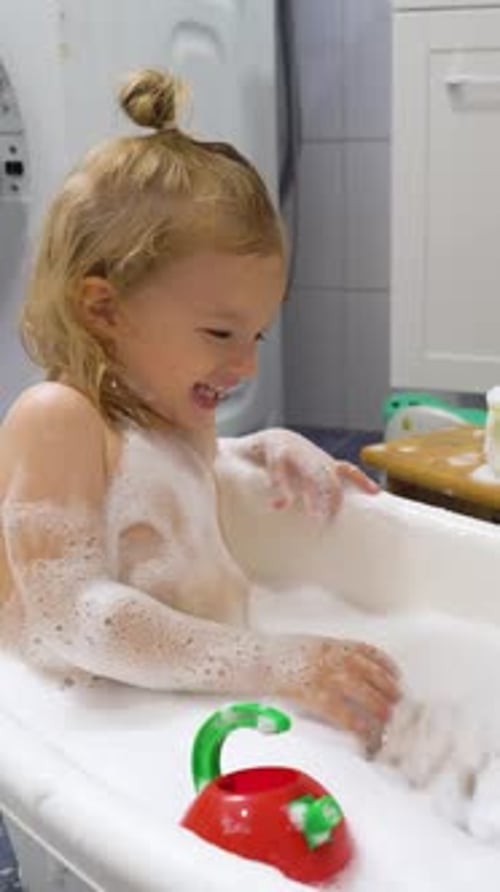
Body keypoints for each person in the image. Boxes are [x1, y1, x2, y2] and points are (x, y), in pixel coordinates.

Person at [0, 69, 399, 753]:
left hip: (181, 702)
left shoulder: (164, 417)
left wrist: (263, 445)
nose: (245, 364)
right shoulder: (56, 418)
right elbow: (72, 621)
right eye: (220, 334)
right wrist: (277, 663)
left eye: (257, 335)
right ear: (104, 309)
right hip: (90, 727)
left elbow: (175, 479)